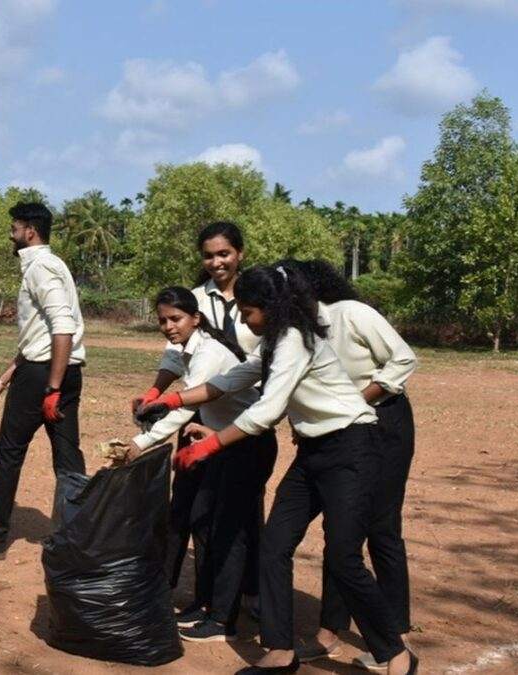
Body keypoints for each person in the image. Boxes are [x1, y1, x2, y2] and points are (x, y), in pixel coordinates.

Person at [150, 265, 416, 675]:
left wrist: (210, 446)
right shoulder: (274, 341)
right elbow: (232, 379)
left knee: (344, 556)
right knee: (274, 546)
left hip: (352, 448)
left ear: (271, 308)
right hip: (313, 451)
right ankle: (279, 650)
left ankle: (395, 653)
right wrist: (172, 401)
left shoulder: (295, 340)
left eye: (246, 310)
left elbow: (266, 412)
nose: (241, 318)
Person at [131, 221, 271, 618]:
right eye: (208, 256)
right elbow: (175, 358)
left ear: (239, 253)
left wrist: (148, 435)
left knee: (241, 512)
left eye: (223, 254)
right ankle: (186, 591)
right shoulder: (193, 300)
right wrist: (158, 393)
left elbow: (261, 362)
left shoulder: (258, 296)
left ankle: (246, 594)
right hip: (195, 415)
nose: (216, 262)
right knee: (191, 509)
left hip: (240, 418)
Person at [289, 260, 417, 671]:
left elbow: (403, 360)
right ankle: (330, 629)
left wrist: (353, 402)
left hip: (385, 423)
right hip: (340, 431)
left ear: (308, 290)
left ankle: (394, 636)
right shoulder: (299, 335)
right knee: (341, 530)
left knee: (381, 528)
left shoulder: (353, 314)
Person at [0, 202, 86, 560]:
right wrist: (5, 378)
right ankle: (81, 539)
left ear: (30, 231)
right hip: (59, 370)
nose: (11, 234)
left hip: (46, 374)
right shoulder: (50, 266)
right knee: (68, 457)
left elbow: (63, 327)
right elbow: (38, 336)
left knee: (9, 451)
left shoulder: (41, 268)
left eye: (14, 228)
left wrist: (51, 388)